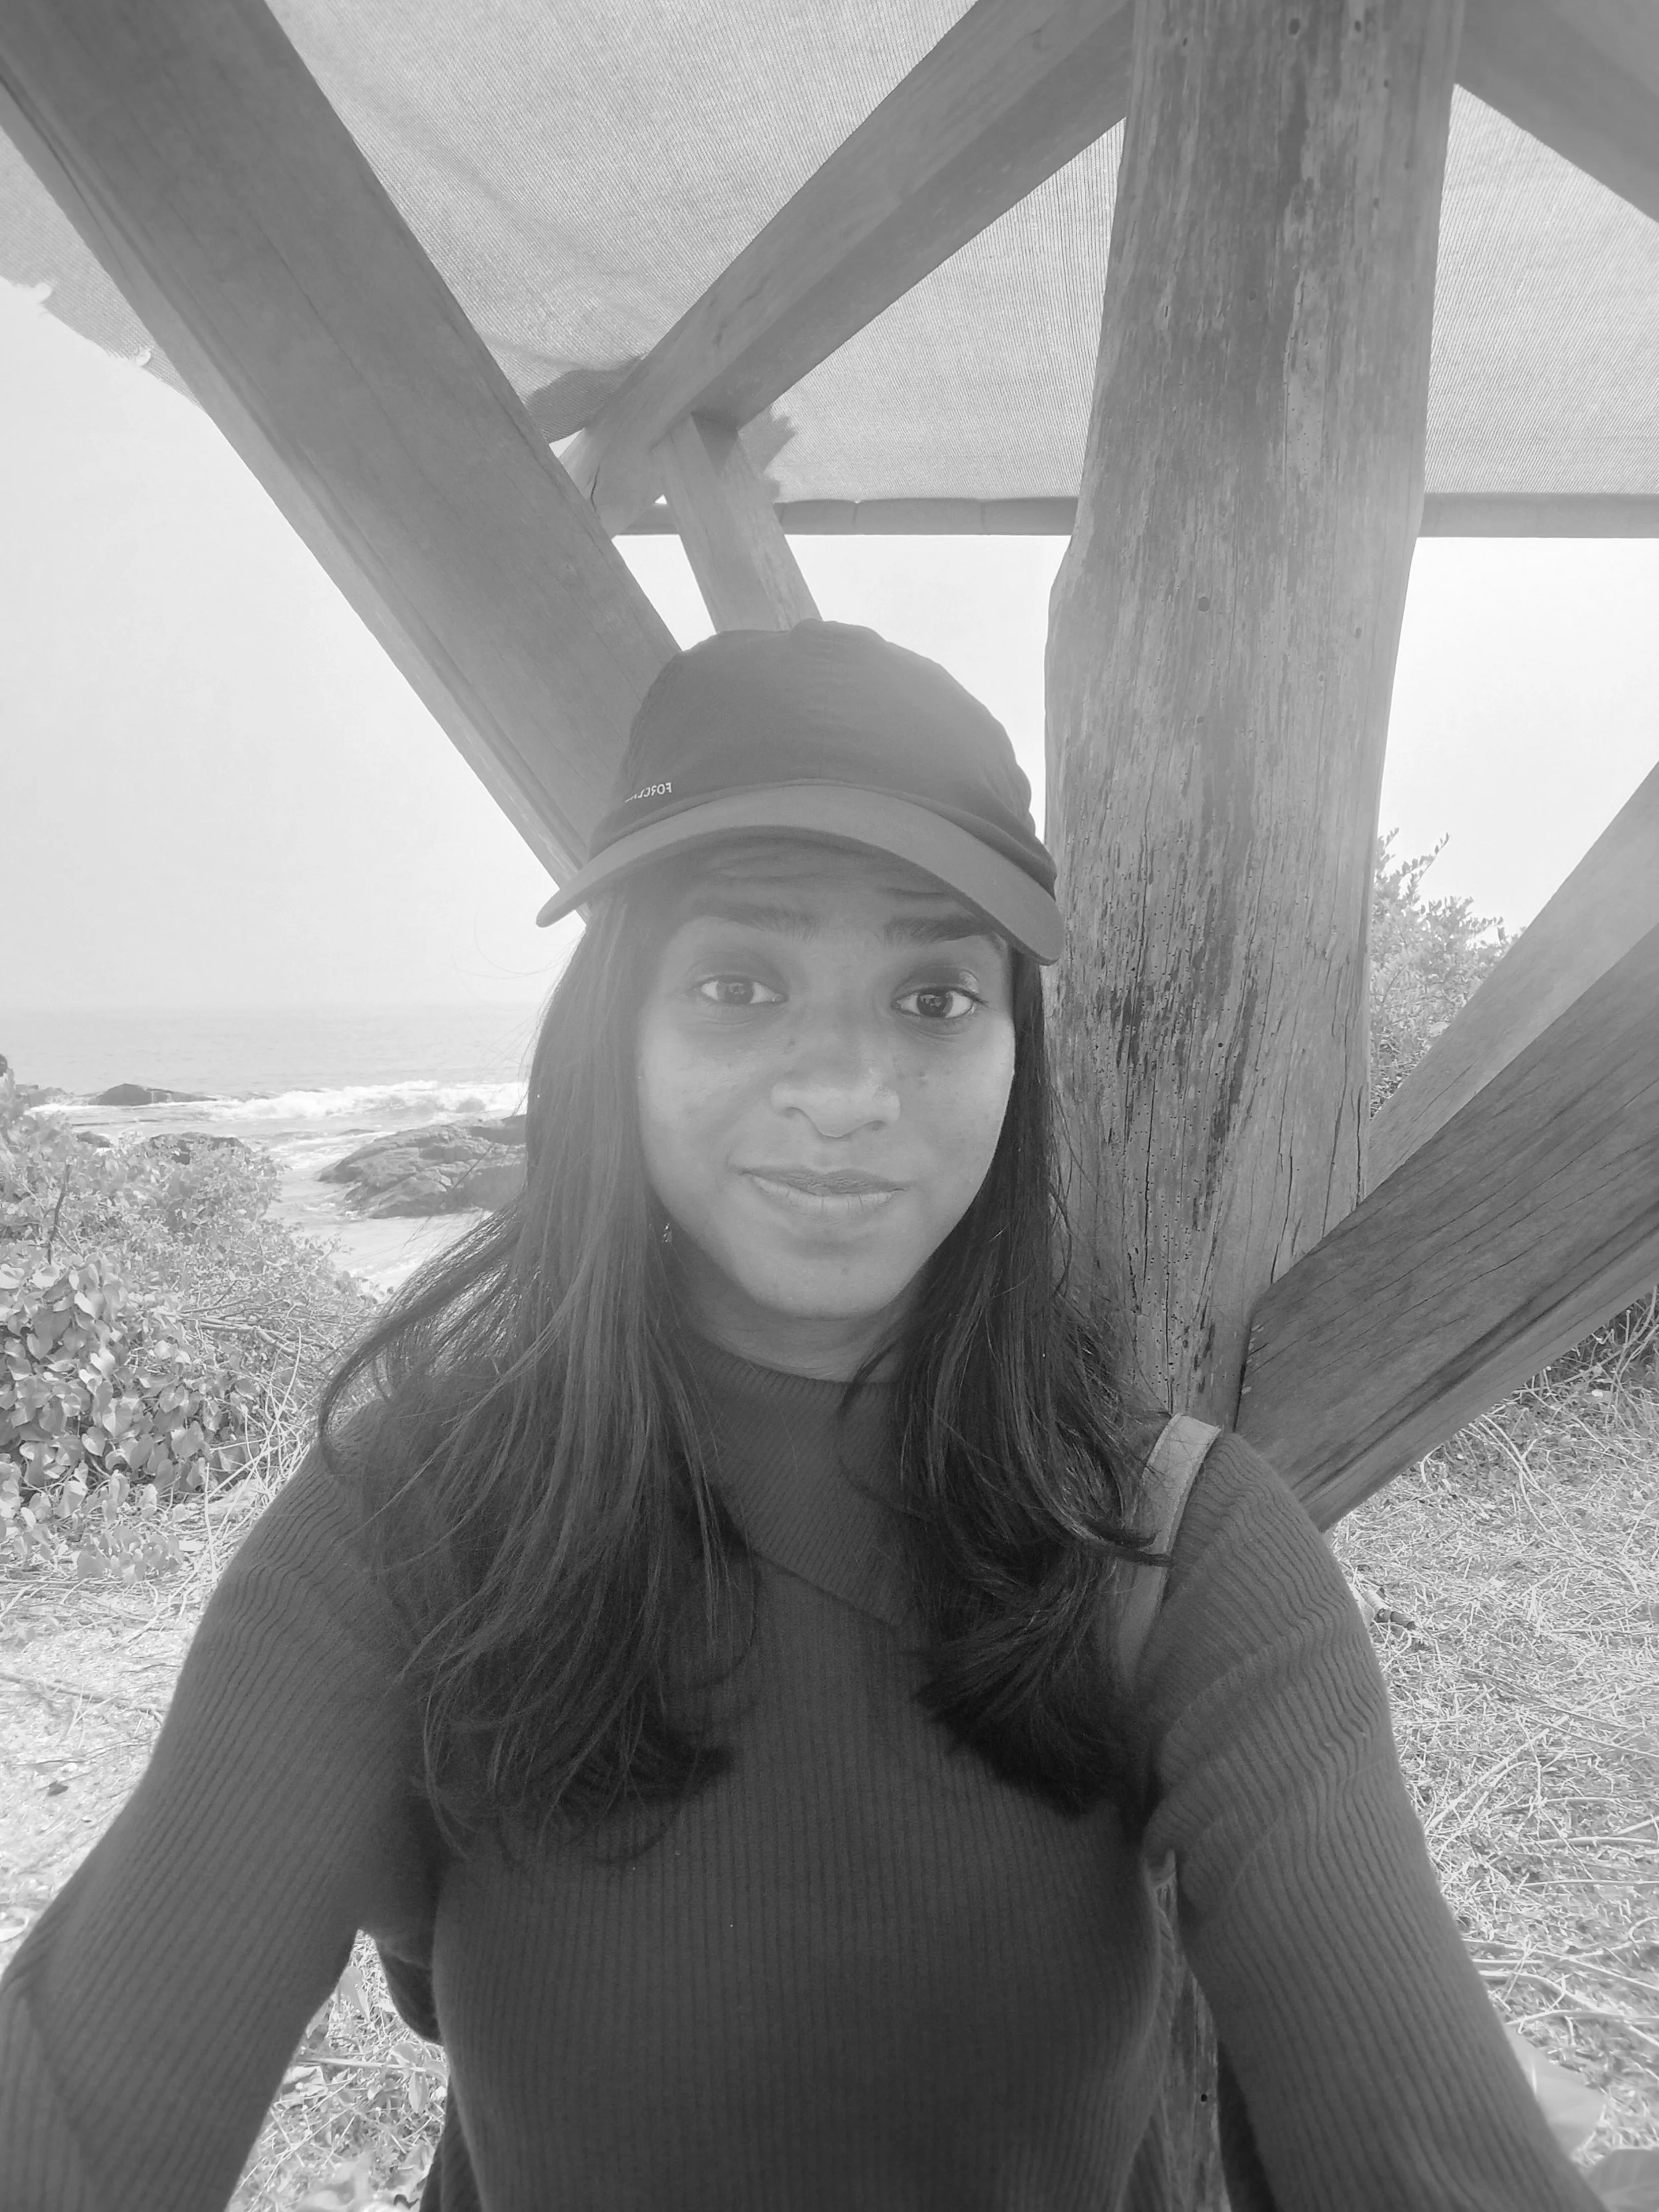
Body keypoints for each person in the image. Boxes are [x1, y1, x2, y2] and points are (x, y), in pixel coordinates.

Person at [0, 622, 1599, 2212]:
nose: (842, 1090)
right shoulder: (408, 1514)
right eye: (738, 982)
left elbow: (1421, 2145)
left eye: (932, 996)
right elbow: (83, 2096)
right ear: (617, 1031)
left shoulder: (1174, 1547)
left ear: (1014, 1057)